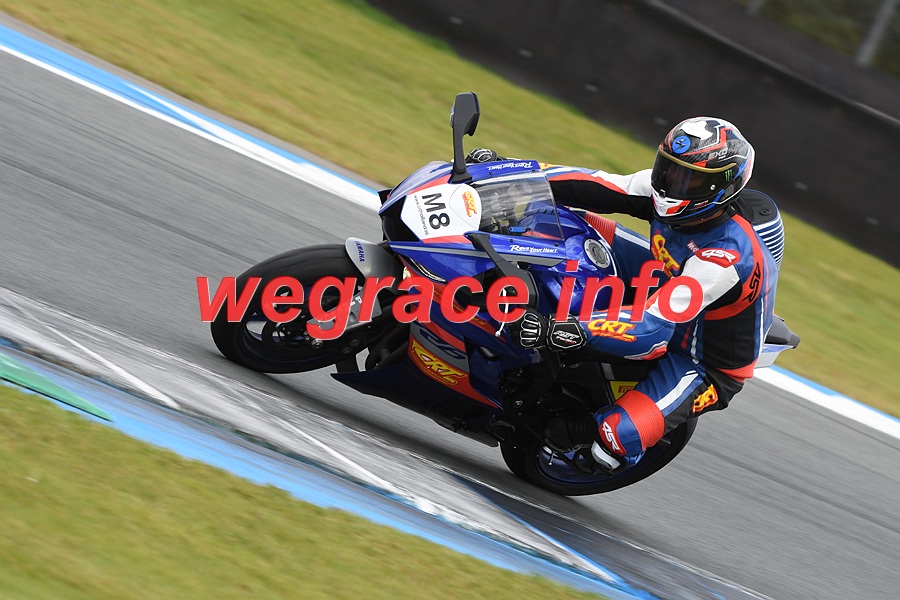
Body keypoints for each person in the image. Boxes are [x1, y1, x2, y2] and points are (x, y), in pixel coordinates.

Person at [468, 116, 783, 472]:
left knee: (615, 437)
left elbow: (653, 326)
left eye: (688, 178)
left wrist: (565, 329)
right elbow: (593, 183)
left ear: (720, 189)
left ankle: (590, 434)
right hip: (663, 278)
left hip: (699, 358)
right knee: (565, 221)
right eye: (669, 169)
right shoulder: (666, 193)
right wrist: (506, 173)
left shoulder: (724, 258)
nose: (671, 183)